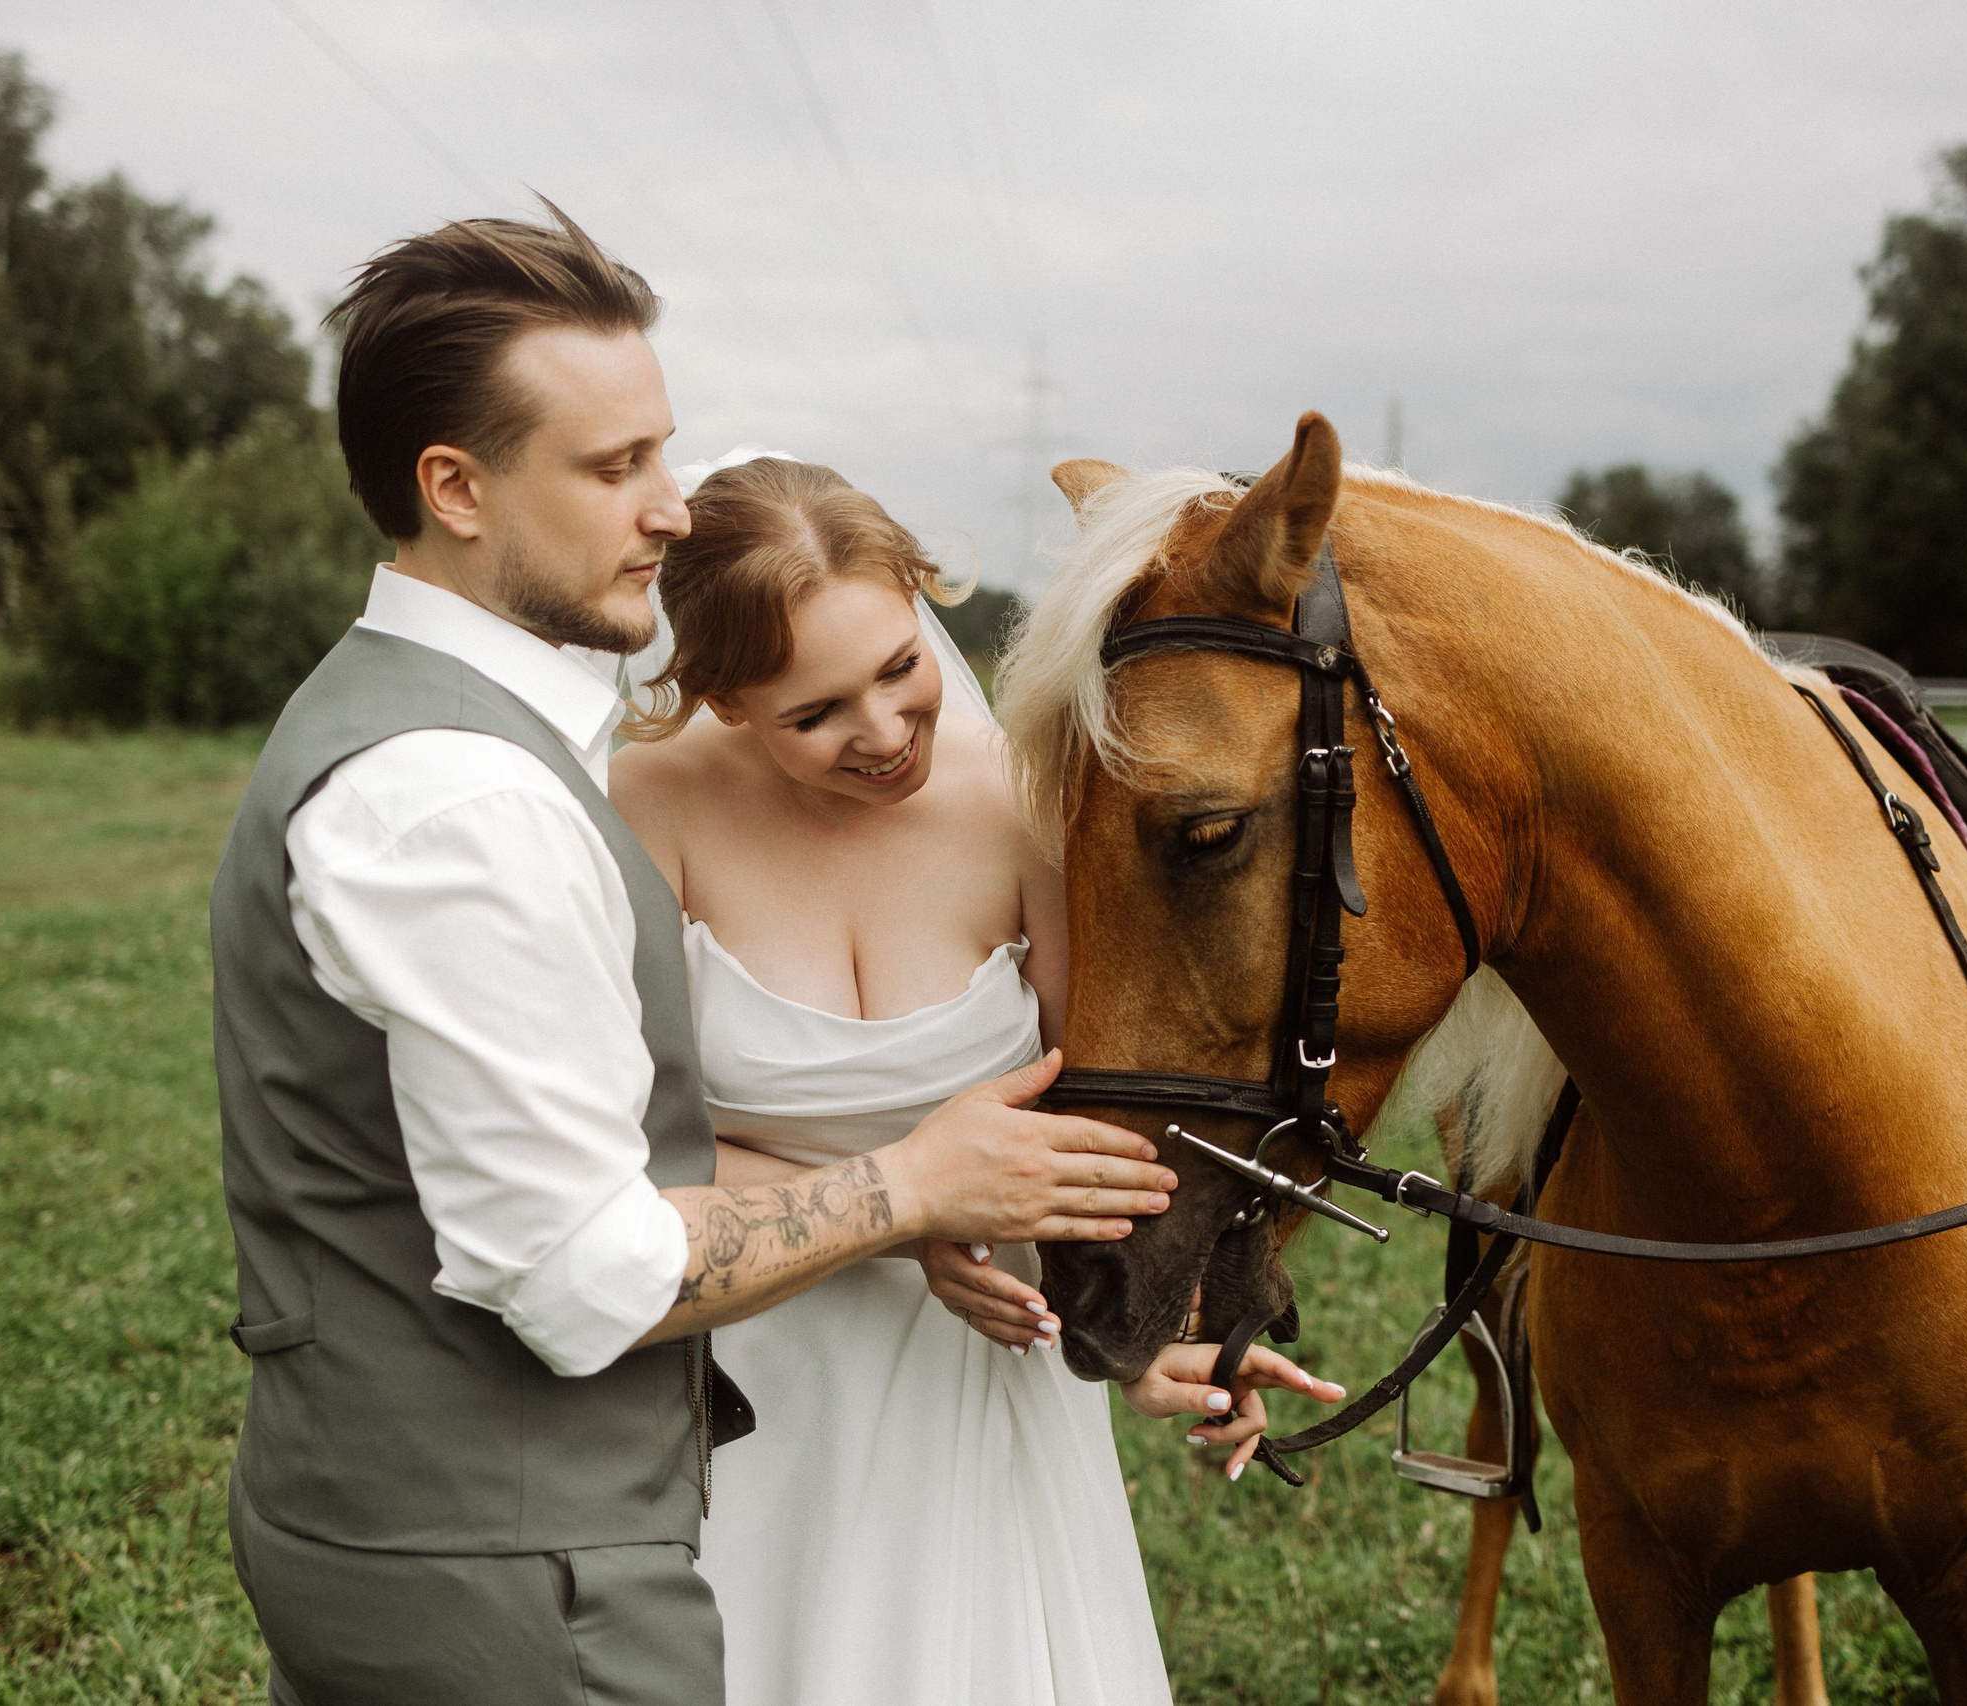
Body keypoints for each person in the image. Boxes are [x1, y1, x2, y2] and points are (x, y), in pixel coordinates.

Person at [212, 202, 1181, 1706]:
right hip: (524, 1558)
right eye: (616, 468)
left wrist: (1106, 1300)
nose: (670, 510)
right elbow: (577, 1263)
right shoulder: (468, 798)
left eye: (663, 453)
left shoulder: (461, 743)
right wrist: (913, 1187)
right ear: (453, 487)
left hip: (538, 1504)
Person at [610, 455, 1345, 1706]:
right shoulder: (644, 807)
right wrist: (905, 1214)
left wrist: (1166, 1326)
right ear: (726, 702)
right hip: (753, 1365)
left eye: (900, 667)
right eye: (816, 713)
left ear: (923, 598)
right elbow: (622, 1139)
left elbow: (1096, 1104)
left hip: (990, 1358)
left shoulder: (1024, 799)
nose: (886, 731)